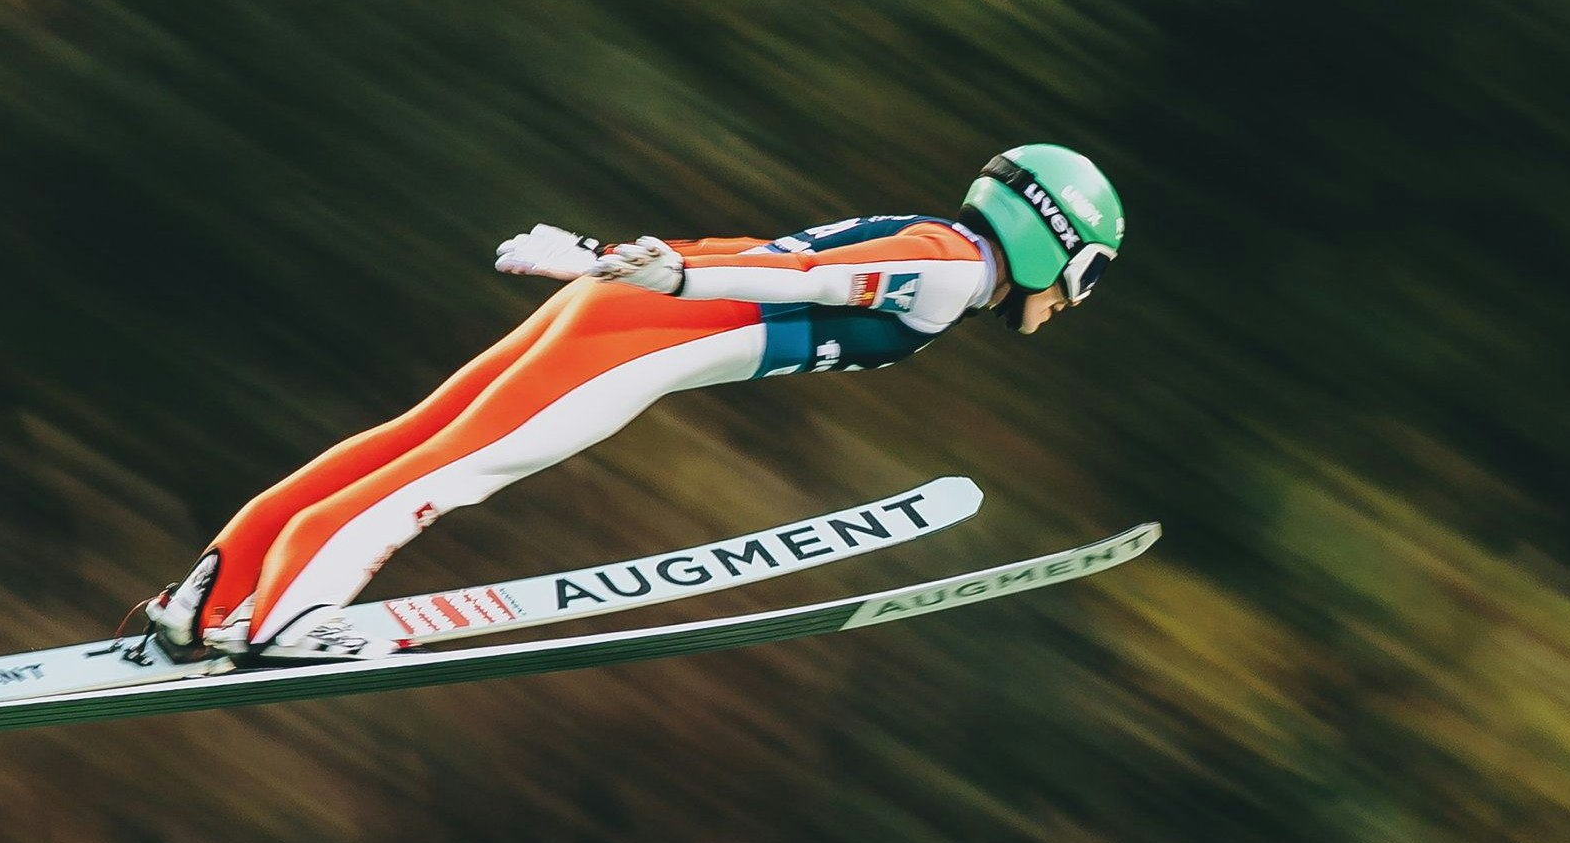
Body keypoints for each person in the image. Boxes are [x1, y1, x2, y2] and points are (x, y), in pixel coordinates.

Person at [143, 144, 1125, 664]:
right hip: (642, 339)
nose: (1072, 300)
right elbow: (816, 276)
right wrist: (662, 282)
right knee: (452, 465)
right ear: (1052, 242)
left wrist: (628, 265)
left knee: (417, 439)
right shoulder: (950, 269)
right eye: (1084, 275)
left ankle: (214, 598)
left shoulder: (937, 247)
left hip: (626, 312)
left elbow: (767, 255)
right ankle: (282, 617)